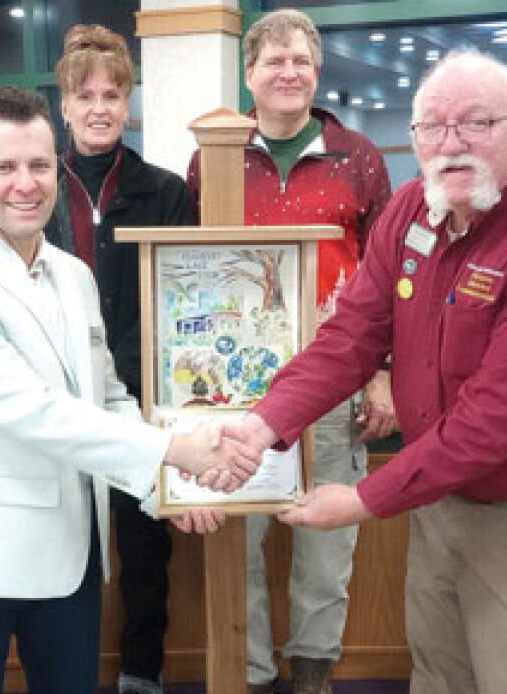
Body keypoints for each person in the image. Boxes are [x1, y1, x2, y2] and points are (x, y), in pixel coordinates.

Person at [211, 49, 507, 693]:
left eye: (476, 124)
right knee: (440, 678)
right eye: (432, 127)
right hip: (440, 504)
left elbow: (491, 422)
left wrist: (361, 500)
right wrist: (264, 423)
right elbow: (350, 337)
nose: (451, 143)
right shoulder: (413, 211)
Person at [0, 86, 258, 694]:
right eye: (4, 167)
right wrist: (176, 453)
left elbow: (108, 395)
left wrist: (166, 485)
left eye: (39, 165)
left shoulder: (74, 274)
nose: (26, 183)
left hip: (75, 552)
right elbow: (39, 414)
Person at [186, 10, 395, 692]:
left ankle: (311, 674)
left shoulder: (358, 156)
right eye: (274, 60)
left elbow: (390, 274)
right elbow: (192, 271)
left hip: (333, 383)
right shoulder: (212, 158)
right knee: (237, 545)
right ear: (249, 73)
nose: (288, 72)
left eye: (301, 60)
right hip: (237, 390)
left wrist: (383, 374)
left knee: (326, 548)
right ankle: (247, 674)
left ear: (317, 72)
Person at [43, 25, 197, 694]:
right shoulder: (36, 187)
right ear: (64, 106)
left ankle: (141, 674)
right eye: (86, 95)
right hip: (53, 397)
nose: (99, 107)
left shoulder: (163, 190)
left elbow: (181, 297)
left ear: (128, 102)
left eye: (112, 94)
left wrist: (122, 370)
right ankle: (66, 672)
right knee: (61, 543)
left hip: (138, 398)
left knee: (143, 550)